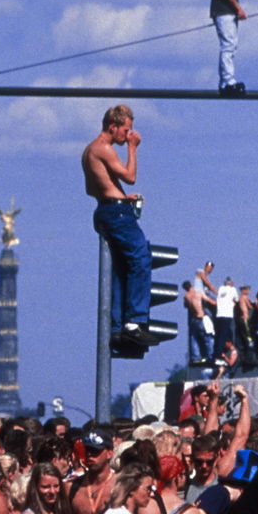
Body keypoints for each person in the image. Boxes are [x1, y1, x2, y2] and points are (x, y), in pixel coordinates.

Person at [82, 105, 161, 352]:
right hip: (117, 213)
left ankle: (116, 328)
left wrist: (120, 197)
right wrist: (133, 148)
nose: (127, 135)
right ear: (112, 126)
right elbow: (130, 176)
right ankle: (134, 322)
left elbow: (94, 188)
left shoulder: (89, 151)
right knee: (140, 258)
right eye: (125, 130)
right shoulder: (103, 148)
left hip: (108, 209)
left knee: (119, 271)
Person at [211, 0, 250, 96]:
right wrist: (238, 9)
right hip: (224, 12)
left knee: (230, 45)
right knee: (229, 45)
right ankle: (229, 81)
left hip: (227, 12)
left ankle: (225, 81)